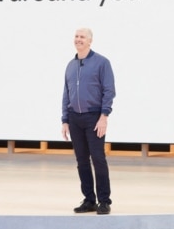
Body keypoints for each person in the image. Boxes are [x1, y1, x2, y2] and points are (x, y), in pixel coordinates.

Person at [61, 28, 116, 215]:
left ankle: (104, 201)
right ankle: (89, 200)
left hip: (94, 117)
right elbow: (66, 94)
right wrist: (65, 120)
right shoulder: (70, 65)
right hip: (75, 118)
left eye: (82, 37)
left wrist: (104, 116)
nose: (78, 39)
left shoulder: (102, 63)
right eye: (76, 36)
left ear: (90, 41)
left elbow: (109, 91)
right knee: (81, 161)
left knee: (98, 159)